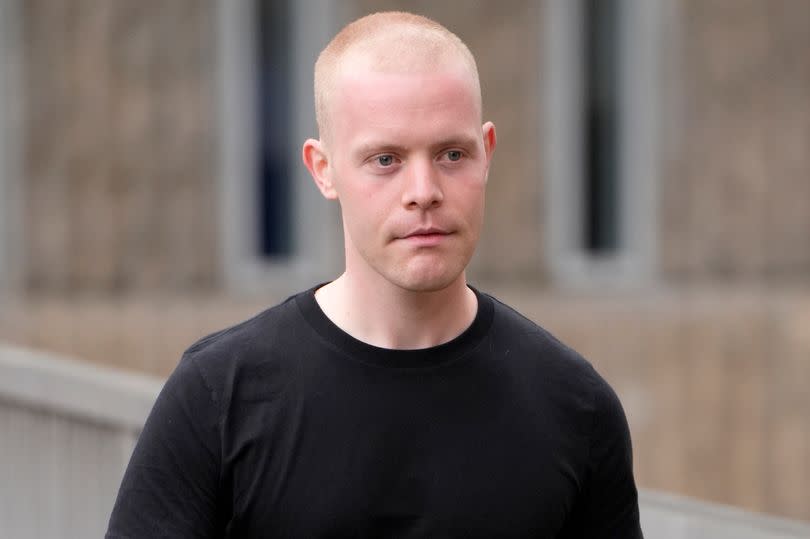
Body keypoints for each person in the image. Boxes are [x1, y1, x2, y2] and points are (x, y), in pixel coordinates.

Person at [106, 11, 642, 538]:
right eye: (386, 159)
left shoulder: (575, 407)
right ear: (324, 169)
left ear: (487, 154)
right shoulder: (220, 396)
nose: (423, 190)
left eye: (452, 153)